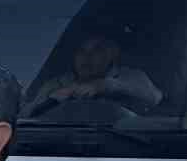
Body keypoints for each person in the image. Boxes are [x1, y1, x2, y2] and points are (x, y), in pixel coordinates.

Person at [27, 34, 162, 115]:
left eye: (97, 50)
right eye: (81, 51)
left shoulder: (131, 76)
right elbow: (25, 117)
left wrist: (105, 85)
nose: (87, 57)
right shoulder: (57, 84)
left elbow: (155, 98)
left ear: (112, 54)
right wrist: (55, 97)